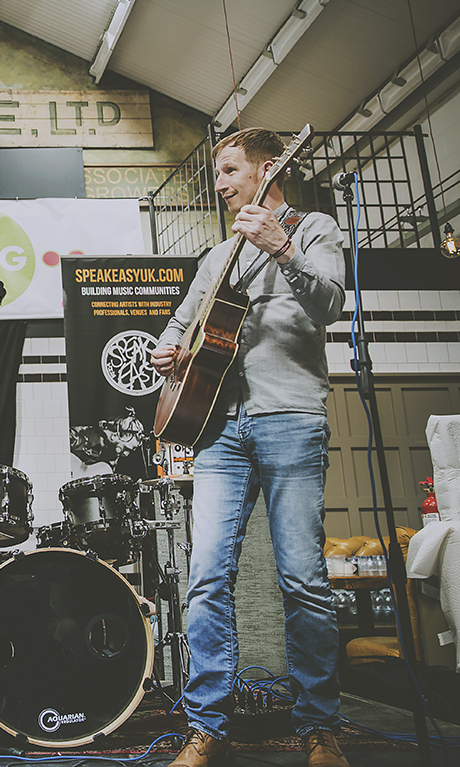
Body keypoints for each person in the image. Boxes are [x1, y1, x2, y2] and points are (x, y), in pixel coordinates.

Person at [151, 128, 348, 767]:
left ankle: (319, 726)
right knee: (206, 576)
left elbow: (329, 305)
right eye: (219, 174)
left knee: (302, 578)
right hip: (217, 430)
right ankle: (206, 725)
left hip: (291, 416)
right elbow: (182, 322)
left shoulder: (314, 228)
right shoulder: (216, 256)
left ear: (268, 169)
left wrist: (282, 249)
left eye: (230, 171)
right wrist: (170, 349)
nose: (220, 185)